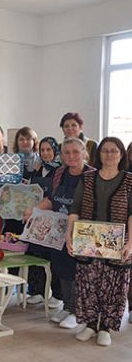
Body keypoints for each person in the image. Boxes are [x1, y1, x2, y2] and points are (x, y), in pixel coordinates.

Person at [67, 137, 132, 346]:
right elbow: (75, 209)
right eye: (105, 150)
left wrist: (130, 243)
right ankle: (90, 324)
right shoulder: (87, 178)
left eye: (114, 151)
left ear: (121, 154)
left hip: (118, 244)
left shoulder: (129, 181)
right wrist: (69, 235)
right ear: (99, 154)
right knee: (88, 282)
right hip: (88, 241)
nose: (109, 154)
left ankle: (105, 327)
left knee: (113, 285)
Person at [26, 137, 93, 330]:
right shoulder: (60, 173)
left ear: (84, 154)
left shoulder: (92, 175)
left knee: (78, 271)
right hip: (59, 229)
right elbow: (51, 199)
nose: (71, 156)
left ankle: (77, 312)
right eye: (66, 152)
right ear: (61, 155)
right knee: (62, 268)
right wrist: (34, 211)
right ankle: (67, 306)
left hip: (82, 231)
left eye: (75, 152)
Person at [25, 137, 62, 308]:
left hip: (54, 218)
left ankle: (57, 295)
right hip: (36, 218)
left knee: (53, 259)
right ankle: (37, 291)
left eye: (49, 150)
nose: (45, 153)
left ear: (55, 151)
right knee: (35, 254)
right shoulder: (37, 169)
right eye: (42, 150)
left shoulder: (61, 171)